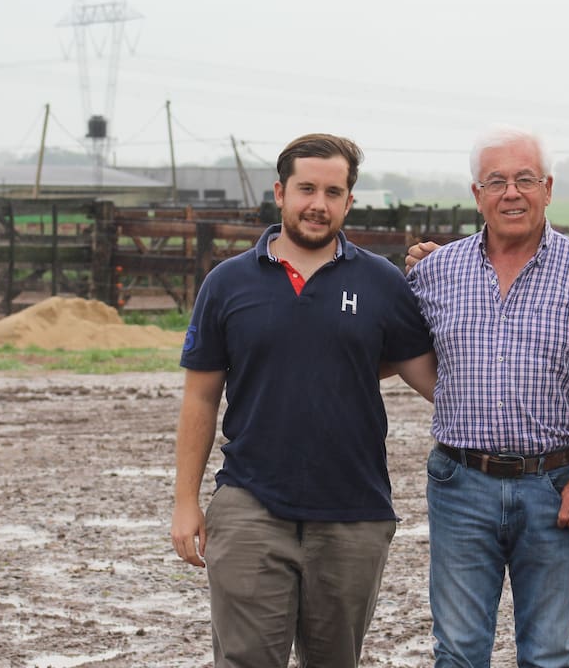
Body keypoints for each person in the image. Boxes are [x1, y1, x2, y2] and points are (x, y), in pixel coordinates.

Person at [171, 133, 437, 668]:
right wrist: (184, 502)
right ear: (281, 192)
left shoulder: (382, 283)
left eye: (333, 192)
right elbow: (200, 398)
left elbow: (436, 380)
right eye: (307, 189)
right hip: (250, 505)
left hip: (353, 513)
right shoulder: (227, 284)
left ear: (349, 202)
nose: (318, 203)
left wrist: (453, 280)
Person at [406, 127, 569, 668]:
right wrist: (450, 393)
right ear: (476, 194)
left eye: (525, 179)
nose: (512, 193)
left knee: (549, 653)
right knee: (457, 651)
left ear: (548, 188)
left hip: (555, 486)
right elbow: (392, 353)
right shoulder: (435, 272)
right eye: (496, 181)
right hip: (459, 484)